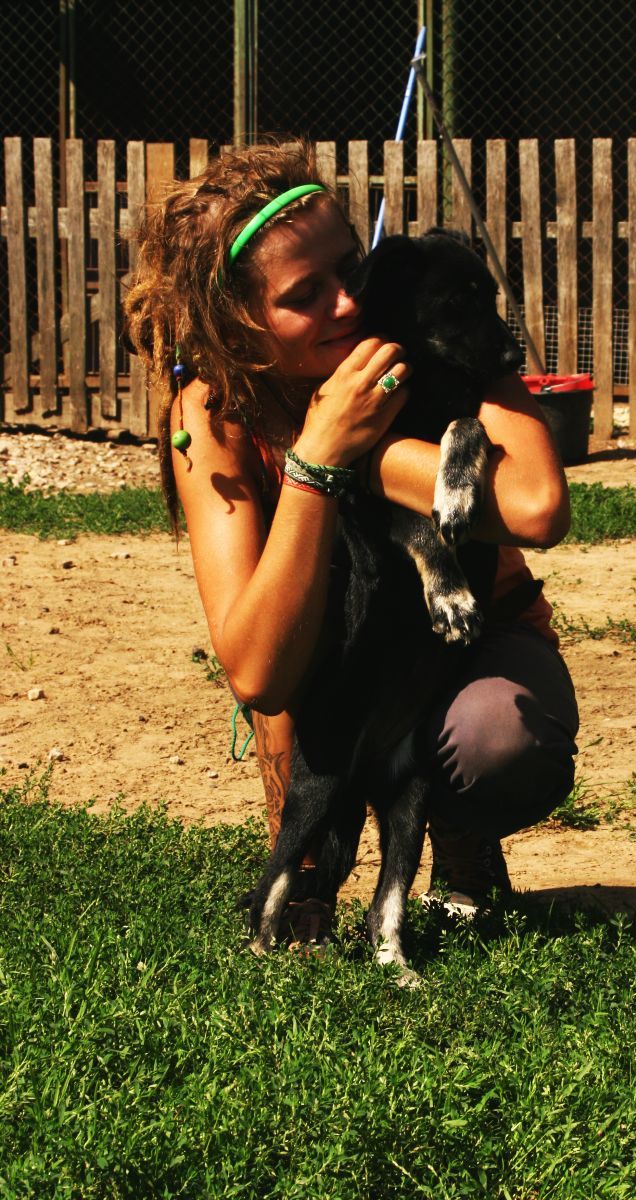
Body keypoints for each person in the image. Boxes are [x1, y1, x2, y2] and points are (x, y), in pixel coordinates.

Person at [124, 137, 579, 950]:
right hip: (342, 656)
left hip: (469, 633)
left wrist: (365, 455)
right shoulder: (214, 413)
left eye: (350, 268)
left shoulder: (434, 328)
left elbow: (538, 508)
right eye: (306, 294)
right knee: (303, 633)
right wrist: (314, 462)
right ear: (241, 326)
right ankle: (305, 870)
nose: (347, 302)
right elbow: (261, 668)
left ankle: (465, 840)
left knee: (498, 740)